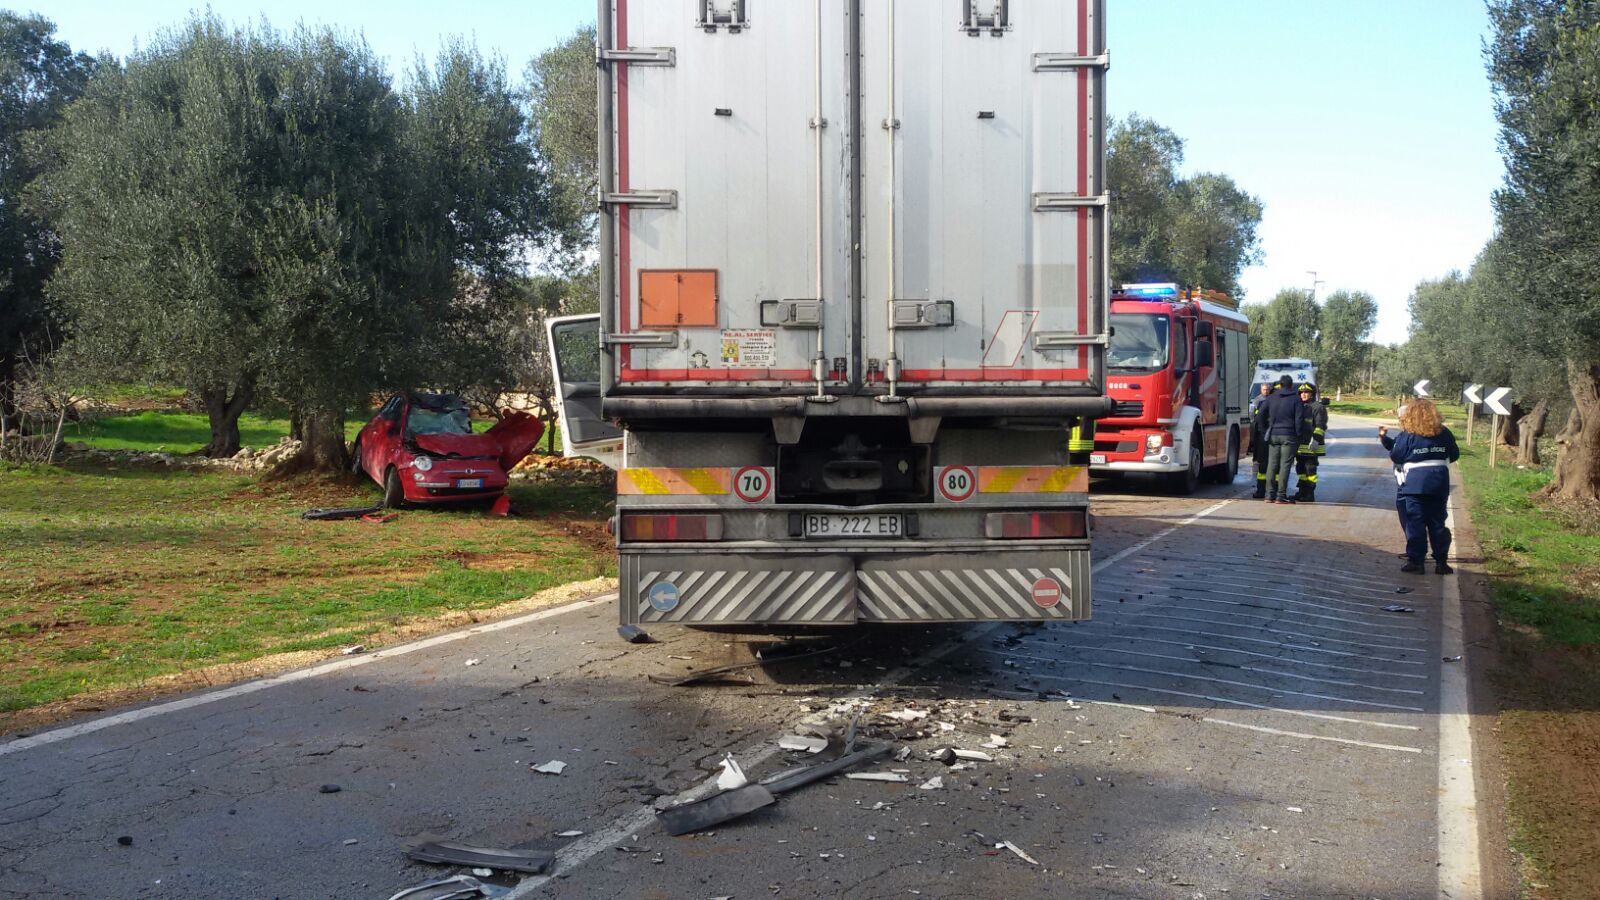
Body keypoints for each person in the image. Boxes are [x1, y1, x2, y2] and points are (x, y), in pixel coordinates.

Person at [1379, 397, 1460, 573]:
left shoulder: (1408, 434)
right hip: (1439, 483)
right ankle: (1441, 562)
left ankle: (1417, 561)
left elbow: (1397, 456)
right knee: (1438, 522)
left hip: (1414, 484)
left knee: (1415, 521)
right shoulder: (1444, 432)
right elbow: (1454, 455)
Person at [1259, 375, 1307, 503]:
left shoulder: (1271, 398)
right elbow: (1299, 420)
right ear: (1291, 385)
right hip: (1289, 436)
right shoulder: (1296, 400)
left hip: (1273, 435)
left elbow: (1260, 416)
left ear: (1280, 385)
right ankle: (1281, 495)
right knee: (1285, 465)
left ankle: (1269, 495)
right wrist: (1299, 436)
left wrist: (1265, 431)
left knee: (1272, 464)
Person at [1293, 383, 1329, 502]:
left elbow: (1321, 426)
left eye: (1306, 392)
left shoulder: (1317, 407)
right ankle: (1302, 491)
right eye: (1301, 392)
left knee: (1310, 469)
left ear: (1312, 394)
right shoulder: (1301, 406)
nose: (1303, 394)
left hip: (1312, 444)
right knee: (1301, 468)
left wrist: (1316, 440)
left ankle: (1309, 493)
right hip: (1301, 444)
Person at [1249, 382, 1274, 498]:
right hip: (1259, 431)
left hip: (1268, 433)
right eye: (1264, 390)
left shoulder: (1273, 400)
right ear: (1261, 390)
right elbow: (1253, 417)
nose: (1266, 391)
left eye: (1267, 390)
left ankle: (1266, 489)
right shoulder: (1257, 401)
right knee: (1261, 459)